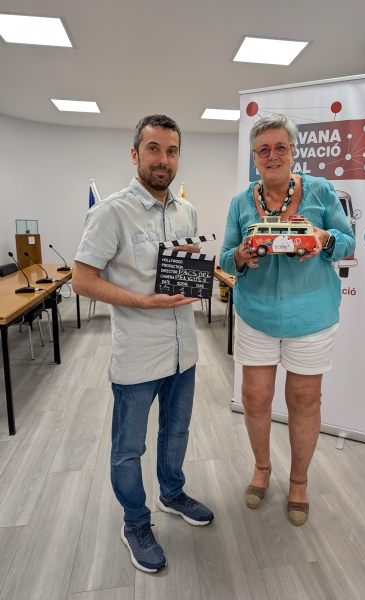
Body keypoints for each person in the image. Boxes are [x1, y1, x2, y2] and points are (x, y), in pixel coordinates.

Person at [73, 114, 214, 574]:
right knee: (128, 448)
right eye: (154, 149)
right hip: (137, 356)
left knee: (177, 433)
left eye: (171, 151)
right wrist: (144, 302)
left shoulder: (187, 212)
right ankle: (135, 521)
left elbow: (183, 270)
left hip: (184, 352)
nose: (163, 159)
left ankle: (172, 493)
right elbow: (82, 280)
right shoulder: (110, 212)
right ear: (135, 154)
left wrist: (195, 275)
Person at [219, 113, 355, 526]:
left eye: (281, 147)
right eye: (263, 149)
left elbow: (348, 242)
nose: (272, 155)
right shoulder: (241, 202)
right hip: (256, 314)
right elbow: (225, 257)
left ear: (294, 152)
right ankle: (262, 469)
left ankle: (299, 481)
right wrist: (241, 255)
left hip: (310, 316)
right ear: (254, 158)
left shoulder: (321, 190)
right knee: (255, 398)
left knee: (305, 401)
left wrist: (323, 238)